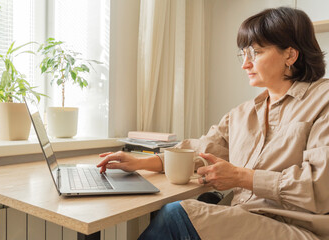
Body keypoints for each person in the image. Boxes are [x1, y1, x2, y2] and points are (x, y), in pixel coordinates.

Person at [97, 7, 329, 239]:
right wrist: (140, 163)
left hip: (300, 230)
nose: (245, 64)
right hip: (246, 219)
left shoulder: (323, 99)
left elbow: (319, 186)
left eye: (256, 53)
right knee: (178, 214)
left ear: (290, 55)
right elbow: (202, 150)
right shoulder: (243, 113)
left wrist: (241, 177)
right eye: (243, 54)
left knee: (176, 215)